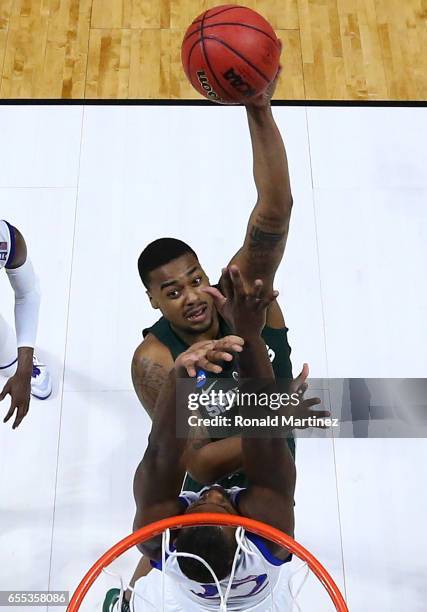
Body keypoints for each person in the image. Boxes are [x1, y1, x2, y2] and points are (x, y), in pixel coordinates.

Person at [109, 268, 328, 611]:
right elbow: (264, 434)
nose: (214, 491)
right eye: (225, 505)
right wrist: (249, 335)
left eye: (198, 504)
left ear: (176, 537)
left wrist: (180, 378)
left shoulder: (161, 539)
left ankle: (125, 603)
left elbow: (161, 453)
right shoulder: (268, 537)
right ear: (243, 534)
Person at [132, 61, 295, 490]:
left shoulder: (242, 290)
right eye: (172, 291)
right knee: (170, 544)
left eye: (195, 279)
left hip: (274, 468)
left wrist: (258, 109)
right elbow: (200, 465)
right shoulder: (157, 361)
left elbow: (275, 211)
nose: (192, 296)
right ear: (153, 300)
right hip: (214, 491)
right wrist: (283, 417)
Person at [0, 220, 52, 429]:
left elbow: (27, 294)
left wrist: (23, 367)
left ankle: (14, 363)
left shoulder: (7, 239)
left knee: (11, 362)